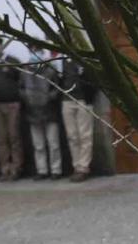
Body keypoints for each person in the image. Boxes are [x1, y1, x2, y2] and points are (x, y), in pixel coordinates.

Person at [48, 49, 99, 182]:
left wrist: (90, 97)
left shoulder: (84, 59)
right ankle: (76, 165)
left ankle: (83, 167)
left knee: (85, 135)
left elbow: (94, 78)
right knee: (72, 135)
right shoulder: (61, 61)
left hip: (83, 99)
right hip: (66, 100)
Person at [19, 49, 63, 179]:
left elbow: (57, 88)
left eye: (37, 50)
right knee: (38, 144)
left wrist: (49, 97)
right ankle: (41, 170)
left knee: (53, 143)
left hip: (49, 110)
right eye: (32, 50)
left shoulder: (50, 69)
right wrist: (27, 97)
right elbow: (20, 88)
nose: (35, 54)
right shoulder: (25, 71)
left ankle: (56, 170)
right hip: (32, 110)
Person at [0, 47, 26, 181]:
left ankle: (17, 167)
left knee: (14, 136)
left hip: (12, 103)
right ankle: (4, 168)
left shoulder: (12, 61)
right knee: (0, 138)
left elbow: (21, 80)